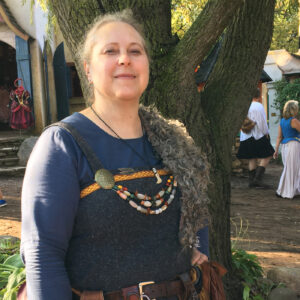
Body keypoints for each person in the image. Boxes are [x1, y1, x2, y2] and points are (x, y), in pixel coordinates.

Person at [21, 10, 211, 300]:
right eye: (110, 51)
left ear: (147, 64)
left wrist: (199, 248)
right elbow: (42, 254)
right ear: (87, 69)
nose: (125, 59)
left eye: (135, 51)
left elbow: (197, 212)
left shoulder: (174, 141)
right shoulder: (62, 145)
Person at [237, 88, 275, 188]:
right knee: (268, 154)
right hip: (257, 135)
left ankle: (251, 181)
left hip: (245, 136)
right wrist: (266, 133)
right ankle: (257, 180)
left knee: (252, 157)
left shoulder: (244, 105)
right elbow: (262, 122)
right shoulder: (258, 106)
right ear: (258, 96)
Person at [273, 100, 300, 199]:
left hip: (284, 146)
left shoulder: (282, 121)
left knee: (289, 168)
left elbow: (279, 137)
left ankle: (287, 190)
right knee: (292, 169)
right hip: (293, 145)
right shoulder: (294, 121)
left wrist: (276, 150)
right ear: (294, 109)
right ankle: (285, 191)